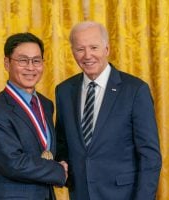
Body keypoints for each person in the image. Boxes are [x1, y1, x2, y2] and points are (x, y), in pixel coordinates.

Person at [55, 21, 162, 200]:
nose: (87, 55)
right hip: (81, 194)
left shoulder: (135, 90)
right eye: (80, 49)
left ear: (107, 49)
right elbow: (62, 142)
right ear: (72, 51)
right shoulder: (64, 91)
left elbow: (150, 156)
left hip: (124, 195)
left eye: (94, 47)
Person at [0, 32, 68, 200]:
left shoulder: (46, 104)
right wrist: (59, 171)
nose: (30, 67)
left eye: (36, 60)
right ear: (7, 63)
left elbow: (47, 150)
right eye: (22, 60)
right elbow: (13, 163)